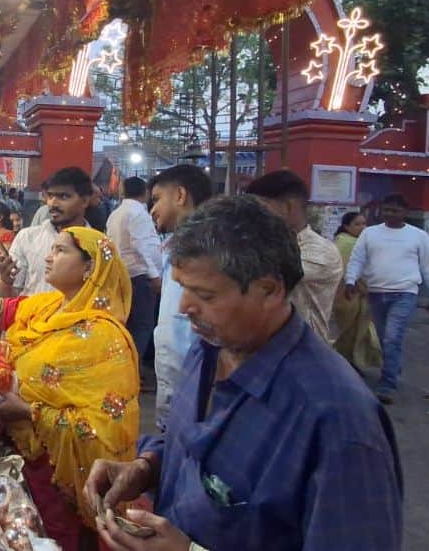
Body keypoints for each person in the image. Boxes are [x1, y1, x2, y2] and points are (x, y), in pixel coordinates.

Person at [86, 195, 403, 551]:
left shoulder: (338, 422)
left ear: (268, 290)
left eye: (203, 294)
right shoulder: (210, 347)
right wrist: (147, 465)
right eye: (182, 287)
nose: (183, 307)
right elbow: (190, 446)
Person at [0, 228, 138, 551]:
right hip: (21, 455)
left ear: (90, 267)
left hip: (60, 473)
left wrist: (30, 411)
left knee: (59, 538)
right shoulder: (47, 306)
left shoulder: (105, 339)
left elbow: (103, 428)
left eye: (60, 251)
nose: (48, 256)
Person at [346, 192, 429, 404]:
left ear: (405, 212)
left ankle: (387, 385)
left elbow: (426, 267)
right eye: (387, 210)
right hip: (376, 293)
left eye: (395, 210)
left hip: (405, 293)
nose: (390, 214)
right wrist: (350, 280)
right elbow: (357, 258)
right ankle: (393, 364)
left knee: (393, 337)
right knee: (385, 339)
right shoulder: (370, 234)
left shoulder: (419, 236)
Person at [147, 164, 213, 429]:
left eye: (156, 199)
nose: (152, 210)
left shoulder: (212, 247)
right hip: (175, 377)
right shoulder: (173, 245)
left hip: (198, 377)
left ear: (180, 196)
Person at [245, 170, 342, 343]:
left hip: (304, 353)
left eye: (261, 207)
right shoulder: (266, 242)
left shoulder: (320, 251)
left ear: (287, 207)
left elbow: (258, 275)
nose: (254, 215)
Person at [0, 167, 91, 297]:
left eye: (63, 196)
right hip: (30, 315)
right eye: (50, 196)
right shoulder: (27, 237)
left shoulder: (98, 247)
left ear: (85, 201)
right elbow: (7, 298)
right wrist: (4, 282)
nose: (53, 203)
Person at [106, 176, 162, 367]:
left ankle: (123, 366)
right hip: (139, 275)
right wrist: (154, 275)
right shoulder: (138, 213)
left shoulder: (116, 213)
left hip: (121, 274)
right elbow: (141, 245)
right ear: (145, 193)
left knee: (128, 323)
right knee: (143, 324)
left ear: (123, 191)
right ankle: (131, 369)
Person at [332, 211, 382, 370]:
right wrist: (362, 288)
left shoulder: (358, 242)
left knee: (359, 330)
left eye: (364, 223)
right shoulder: (346, 243)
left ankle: (353, 362)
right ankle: (346, 364)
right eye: (357, 224)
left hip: (361, 294)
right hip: (349, 293)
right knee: (349, 331)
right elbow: (346, 269)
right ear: (346, 226)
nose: (362, 227)